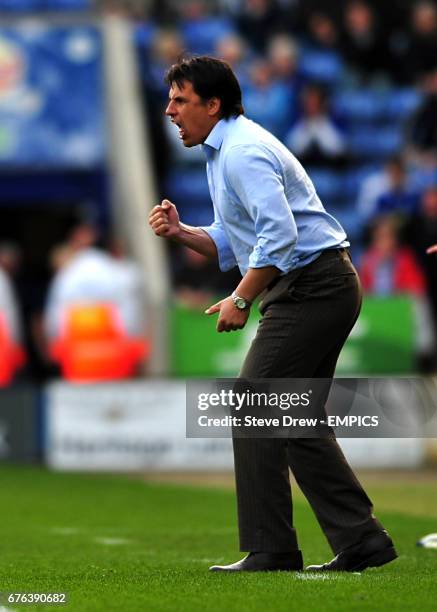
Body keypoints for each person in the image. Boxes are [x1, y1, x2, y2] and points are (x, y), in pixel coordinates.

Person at [148, 56, 397, 573]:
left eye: (180, 100)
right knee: (293, 417)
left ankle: (273, 547)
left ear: (212, 105)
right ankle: (360, 540)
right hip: (316, 283)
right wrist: (180, 233)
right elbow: (233, 238)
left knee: (254, 404)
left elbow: (280, 239)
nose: (169, 110)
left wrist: (241, 299)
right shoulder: (226, 150)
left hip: (313, 285)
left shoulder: (241, 153)